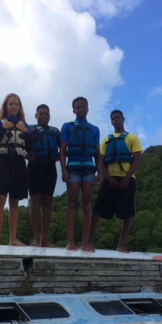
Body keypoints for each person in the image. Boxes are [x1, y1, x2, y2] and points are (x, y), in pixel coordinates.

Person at [88, 109, 142, 253]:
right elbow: (101, 161)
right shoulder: (106, 140)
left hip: (127, 179)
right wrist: (107, 178)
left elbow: (137, 159)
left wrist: (127, 178)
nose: (116, 120)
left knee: (128, 213)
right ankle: (89, 242)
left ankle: (121, 245)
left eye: (118, 117)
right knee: (97, 210)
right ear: (111, 122)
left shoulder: (132, 138)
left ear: (123, 119)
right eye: (113, 118)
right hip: (109, 179)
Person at [59, 97, 100, 251]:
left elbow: (97, 153)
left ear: (88, 109)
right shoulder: (67, 127)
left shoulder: (95, 129)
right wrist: (63, 169)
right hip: (73, 168)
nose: (81, 109)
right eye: (78, 107)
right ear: (74, 110)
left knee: (87, 204)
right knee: (72, 203)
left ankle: (86, 242)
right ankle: (70, 242)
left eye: (83, 107)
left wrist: (100, 172)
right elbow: (63, 150)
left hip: (89, 169)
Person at [0, 93, 30, 246]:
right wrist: (3, 129)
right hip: (2, 160)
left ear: (19, 107)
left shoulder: (24, 125)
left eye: (16, 104)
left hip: (19, 162)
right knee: (1, 198)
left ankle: (13, 238)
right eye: (11, 104)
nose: (13, 107)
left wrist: (25, 132)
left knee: (14, 201)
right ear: (6, 106)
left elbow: (30, 147)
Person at [27, 104, 60, 247]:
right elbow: (22, 146)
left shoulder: (55, 131)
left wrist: (59, 156)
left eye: (46, 114)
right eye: (41, 114)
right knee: (35, 201)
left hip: (50, 167)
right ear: (36, 115)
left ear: (49, 116)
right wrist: (27, 155)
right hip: (34, 167)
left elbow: (64, 147)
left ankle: (44, 239)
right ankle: (36, 239)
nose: (44, 116)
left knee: (47, 202)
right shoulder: (29, 129)